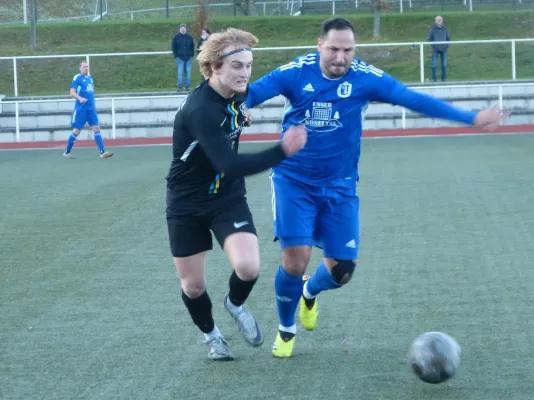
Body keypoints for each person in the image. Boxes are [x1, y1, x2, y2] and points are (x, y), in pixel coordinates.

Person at [246, 17, 506, 358]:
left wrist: (470, 118)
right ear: (319, 44)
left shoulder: (365, 78)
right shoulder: (295, 72)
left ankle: (310, 292)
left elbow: (412, 99)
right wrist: (241, 108)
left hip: (339, 185)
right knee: (296, 260)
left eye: (348, 50)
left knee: (342, 271)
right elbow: (250, 92)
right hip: (293, 180)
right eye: (334, 49)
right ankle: (287, 329)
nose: (341, 57)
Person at [165, 27, 307, 361]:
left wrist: (242, 115)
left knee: (248, 267)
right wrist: (283, 150)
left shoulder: (235, 94)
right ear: (214, 67)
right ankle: (212, 336)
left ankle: (235, 303)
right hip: (186, 201)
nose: (245, 73)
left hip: (226, 197)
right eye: (237, 66)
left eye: (248, 65)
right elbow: (230, 164)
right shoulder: (200, 110)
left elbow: (234, 112)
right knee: (193, 286)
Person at [63, 61, 113, 159]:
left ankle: (102, 152)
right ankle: (67, 151)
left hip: (91, 110)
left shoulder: (90, 79)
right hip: (81, 110)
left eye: (87, 67)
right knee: (76, 131)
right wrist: (80, 98)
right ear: (80, 68)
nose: (86, 68)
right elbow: (71, 92)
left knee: (97, 128)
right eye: (84, 67)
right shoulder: (77, 78)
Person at [172, 23, 195, 91]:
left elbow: (192, 46)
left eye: (184, 28)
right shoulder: (176, 37)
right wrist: (176, 56)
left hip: (188, 58)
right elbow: (173, 47)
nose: (183, 29)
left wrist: (191, 55)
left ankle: (187, 86)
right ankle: (180, 86)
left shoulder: (190, 37)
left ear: (186, 29)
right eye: (181, 28)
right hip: (179, 58)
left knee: (188, 73)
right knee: (180, 73)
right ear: (179, 29)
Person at [428, 15, 451, 82]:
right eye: (437, 20)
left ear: (442, 21)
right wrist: (434, 46)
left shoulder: (445, 29)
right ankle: (433, 79)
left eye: (440, 19)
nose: (439, 21)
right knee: (434, 65)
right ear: (435, 21)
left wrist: (446, 46)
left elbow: (448, 38)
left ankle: (444, 79)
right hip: (435, 50)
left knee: (444, 65)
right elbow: (429, 39)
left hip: (444, 49)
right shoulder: (432, 29)